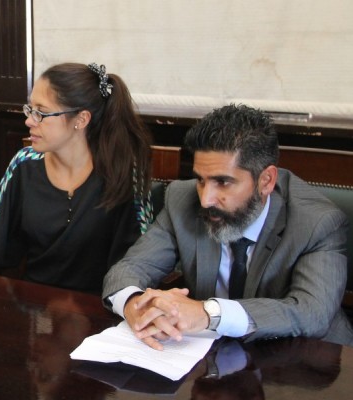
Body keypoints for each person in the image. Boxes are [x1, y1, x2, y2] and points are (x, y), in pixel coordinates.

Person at [103, 104, 353, 350]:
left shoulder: (318, 223)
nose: (205, 199)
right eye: (200, 179)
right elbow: (130, 268)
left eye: (223, 182)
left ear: (266, 181)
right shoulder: (182, 200)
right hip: (209, 356)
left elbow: (312, 314)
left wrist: (208, 312)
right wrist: (135, 305)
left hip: (300, 359)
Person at [0, 62, 153, 293]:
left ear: (81, 119)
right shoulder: (25, 163)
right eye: (30, 110)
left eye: (41, 112)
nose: (29, 121)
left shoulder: (123, 171)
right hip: (34, 303)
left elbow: (141, 258)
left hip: (101, 307)